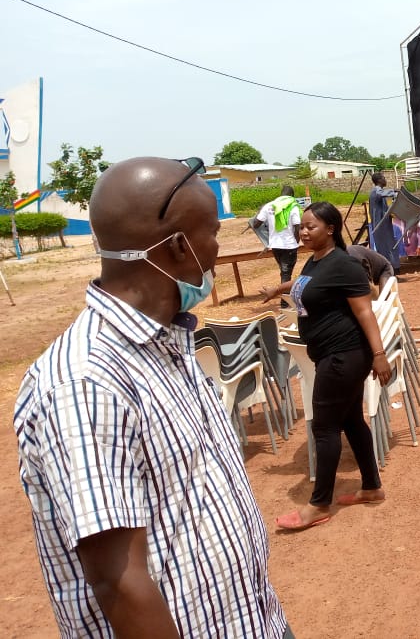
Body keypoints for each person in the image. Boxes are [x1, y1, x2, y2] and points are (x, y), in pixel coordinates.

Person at [14, 157, 290, 638]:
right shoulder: (86, 383)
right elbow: (118, 582)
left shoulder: (168, 344)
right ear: (181, 247)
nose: (217, 248)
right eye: (213, 232)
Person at [261, 201, 392, 530]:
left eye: (311, 227)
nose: (303, 232)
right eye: (301, 227)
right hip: (331, 354)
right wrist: (278, 287)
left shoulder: (345, 265)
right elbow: (305, 284)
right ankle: (372, 488)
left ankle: (318, 505)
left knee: (325, 427)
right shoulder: (315, 261)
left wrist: (379, 355)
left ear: (330, 229)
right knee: (350, 421)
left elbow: (365, 312)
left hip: (344, 356)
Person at [251, 184, 302, 304]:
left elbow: (256, 224)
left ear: (281, 194)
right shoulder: (293, 206)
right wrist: (296, 242)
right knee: (286, 274)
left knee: (284, 272)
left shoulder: (269, 206)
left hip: (275, 246)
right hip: (289, 245)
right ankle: (285, 304)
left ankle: (286, 301)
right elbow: (297, 226)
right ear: (291, 196)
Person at [368, 172, 400, 275]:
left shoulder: (379, 192)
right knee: (384, 248)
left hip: (385, 224)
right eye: (384, 178)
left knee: (390, 246)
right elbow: (381, 193)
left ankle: (393, 271)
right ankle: (387, 273)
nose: (385, 180)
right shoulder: (376, 191)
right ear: (379, 180)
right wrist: (395, 192)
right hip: (380, 225)